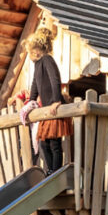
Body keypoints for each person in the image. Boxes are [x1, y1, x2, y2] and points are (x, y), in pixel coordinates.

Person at [26, 27, 73, 174]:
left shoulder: (47, 59)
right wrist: (30, 101)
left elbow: (55, 79)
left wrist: (56, 100)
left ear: (36, 51)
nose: (29, 55)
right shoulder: (37, 65)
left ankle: (56, 171)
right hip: (46, 109)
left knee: (54, 143)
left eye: (30, 52)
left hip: (54, 106)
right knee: (43, 142)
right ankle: (51, 170)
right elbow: (35, 84)